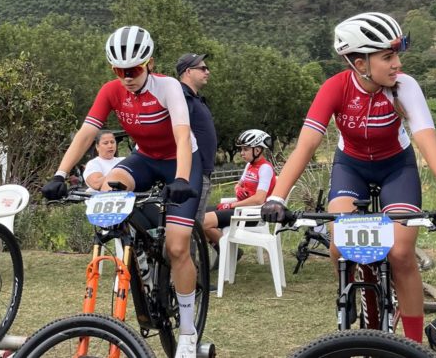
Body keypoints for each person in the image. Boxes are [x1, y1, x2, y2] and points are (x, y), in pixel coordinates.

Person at [260, 12, 436, 343]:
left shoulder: (405, 87)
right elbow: (307, 144)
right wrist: (277, 197)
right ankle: (352, 311)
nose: (397, 64)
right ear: (360, 63)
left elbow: (429, 144)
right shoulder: (335, 88)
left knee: (401, 253)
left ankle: (413, 346)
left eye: (397, 54)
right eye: (388, 56)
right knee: (339, 246)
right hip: (351, 167)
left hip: (396, 167)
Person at [41, 25, 203, 358]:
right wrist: (60, 173)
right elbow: (87, 133)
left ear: (150, 63)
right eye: (119, 71)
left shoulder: (169, 87)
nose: (127, 76)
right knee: (109, 184)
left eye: (134, 70)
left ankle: (188, 330)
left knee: (176, 246)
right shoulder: (111, 91)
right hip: (145, 158)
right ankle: (139, 246)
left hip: (181, 160)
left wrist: (183, 179)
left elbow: (183, 135)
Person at [203, 129, 276, 261]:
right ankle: (226, 251)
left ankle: (228, 252)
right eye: (241, 149)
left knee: (203, 222)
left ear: (258, 150)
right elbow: (239, 184)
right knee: (196, 216)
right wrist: (238, 188)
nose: (241, 153)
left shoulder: (265, 168)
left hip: (253, 214)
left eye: (245, 149)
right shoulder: (249, 165)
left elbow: (259, 200)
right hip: (240, 209)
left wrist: (231, 204)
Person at [176, 53, 217, 222]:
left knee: (196, 228)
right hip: (194, 173)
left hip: (202, 172)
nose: (207, 72)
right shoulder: (182, 98)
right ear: (188, 71)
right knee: (189, 227)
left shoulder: (195, 98)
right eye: (202, 68)